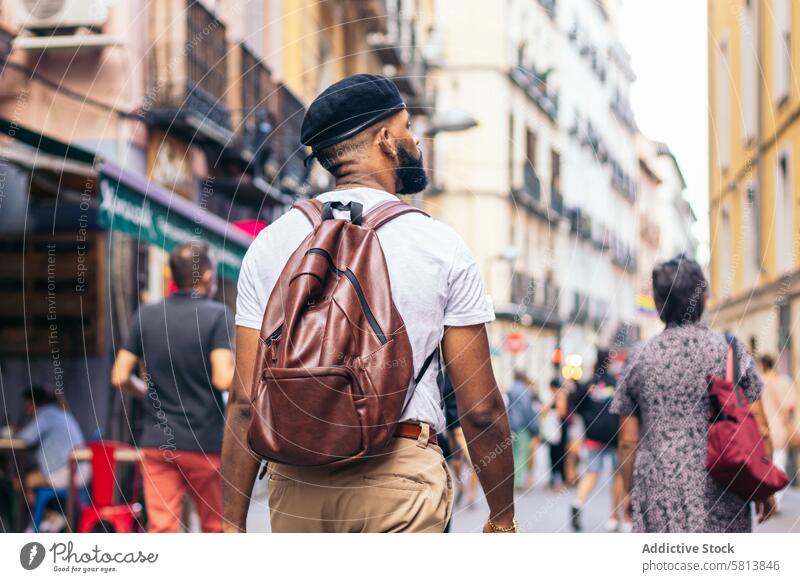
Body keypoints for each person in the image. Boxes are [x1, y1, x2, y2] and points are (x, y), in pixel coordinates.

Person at [222, 74, 515, 533]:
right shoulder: (439, 245)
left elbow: (243, 400)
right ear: (383, 139)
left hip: (298, 482)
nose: (415, 139)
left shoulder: (270, 244)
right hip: (399, 477)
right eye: (406, 127)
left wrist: (231, 525)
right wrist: (503, 518)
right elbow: (480, 409)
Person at [613, 254, 776, 532]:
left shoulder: (638, 358)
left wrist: (630, 491)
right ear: (703, 297)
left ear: (658, 302)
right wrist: (764, 487)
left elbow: (628, 441)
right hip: (724, 492)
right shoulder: (730, 351)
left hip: (658, 495)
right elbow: (760, 427)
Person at [111, 241, 235, 533]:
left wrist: (145, 391)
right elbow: (222, 379)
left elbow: (119, 375)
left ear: (171, 276)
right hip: (204, 442)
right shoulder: (217, 316)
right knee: (216, 527)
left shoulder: (146, 315)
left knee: (163, 529)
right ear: (206, 276)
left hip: (157, 442)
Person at [568, 349, 628, 532]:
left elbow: (575, 406)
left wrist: (587, 419)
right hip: (615, 435)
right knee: (617, 475)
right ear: (609, 362)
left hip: (593, 435)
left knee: (592, 473)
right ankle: (613, 517)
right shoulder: (617, 383)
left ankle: (578, 503)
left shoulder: (588, 384)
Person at [16, 385, 90, 532]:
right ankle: (50, 518)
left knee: (20, 482)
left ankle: (45, 520)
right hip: (83, 471)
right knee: (32, 479)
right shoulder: (62, 413)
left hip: (68, 472)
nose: (25, 409)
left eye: (26, 405)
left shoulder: (45, 415)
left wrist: (13, 431)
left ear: (31, 404)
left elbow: (24, 439)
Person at [759, 354, 796, 510]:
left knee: (767, 462)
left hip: (764, 429)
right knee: (779, 463)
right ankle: (777, 498)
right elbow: (791, 406)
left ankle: (770, 495)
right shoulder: (783, 382)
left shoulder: (758, 381)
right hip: (779, 427)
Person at [506, 371, 540, 490]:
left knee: (513, 454)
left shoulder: (510, 390)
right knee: (521, 454)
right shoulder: (526, 392)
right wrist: (535, 429)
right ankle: (518, 482)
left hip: (511, 426)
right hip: (523, 427)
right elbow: (528, 411)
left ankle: (512, 480)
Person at [543, 379, 568, 489]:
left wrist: (550, 411)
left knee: (558, 455)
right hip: (556, 430)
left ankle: (561, 480)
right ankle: (555, 479)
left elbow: (562, 412)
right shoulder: (557, 395)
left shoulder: (560, 395)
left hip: (559, 430)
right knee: (554, 454)